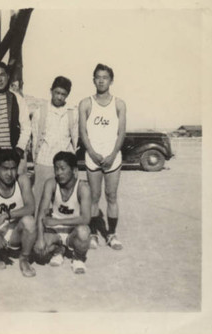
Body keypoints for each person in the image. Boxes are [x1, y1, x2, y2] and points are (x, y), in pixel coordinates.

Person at [78, 63, 127, 250]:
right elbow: (83, 132)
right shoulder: (86, 103)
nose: (101, 80)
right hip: (93, 156)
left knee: (111, 196)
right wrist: (92, 152)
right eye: (98, 77)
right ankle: (92, 234)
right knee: (94, 197)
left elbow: (121, 133)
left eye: (105, 77)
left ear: (111, 80)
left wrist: (113, 154)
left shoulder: (119, 104)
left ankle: (112, 234)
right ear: (93, 80)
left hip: (112, 157)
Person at [0, 149, 37, 277]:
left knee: (29, 221)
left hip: (16, 232)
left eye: (13, 168)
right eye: (5, 169)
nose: (10, 173)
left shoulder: (22, 181)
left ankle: (24, 259)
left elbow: (31, 207)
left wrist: (6, 215)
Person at [34, 152, 92, 274]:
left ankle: (78, 257)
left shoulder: (83, 188)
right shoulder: (51, 183)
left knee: (84, 232)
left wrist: (58, 221)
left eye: (63, 169)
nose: (59, 173)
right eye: (56, 169)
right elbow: (41, 213)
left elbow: (86, 219)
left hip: (73, 231)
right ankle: (58, 250)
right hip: (56, 232)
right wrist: (40, 239)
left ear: (74, 170)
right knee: (38, 250)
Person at [31, 76, 79, 209]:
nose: (59, 97)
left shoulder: (72, 113)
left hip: (65, 163)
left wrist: (71, 161)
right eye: (57, 93)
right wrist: (37, 161)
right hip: (44, 161)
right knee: (40, 198)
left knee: (63, 198)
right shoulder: (40, 112)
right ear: (51, 91)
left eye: (63, 94)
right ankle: (38, 226)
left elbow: (75, 138)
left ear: (67, 95)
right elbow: (35, 138)